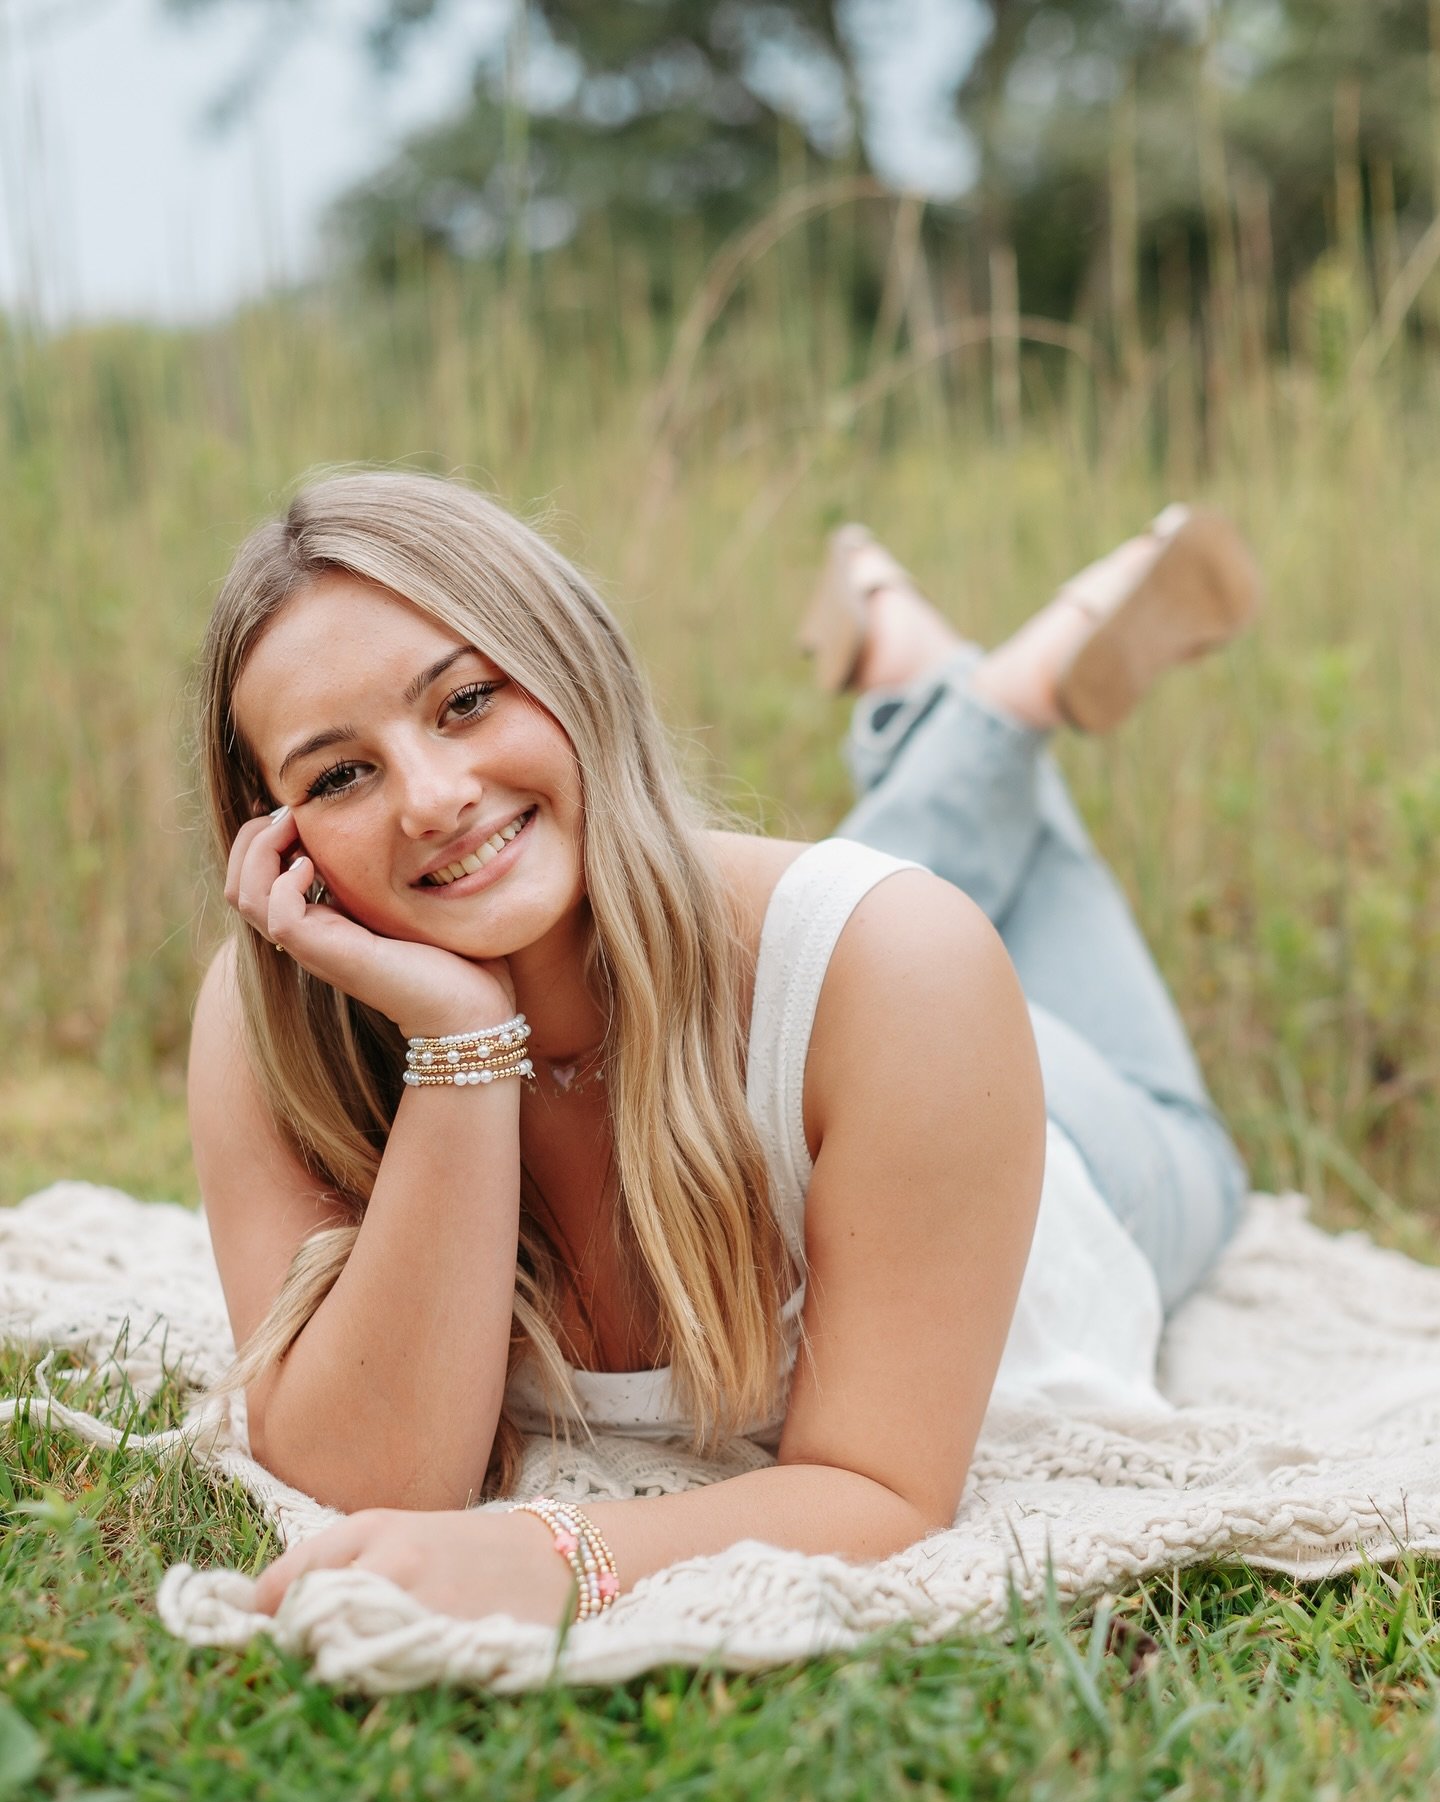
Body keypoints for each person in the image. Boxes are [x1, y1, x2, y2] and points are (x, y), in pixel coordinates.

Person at [188, 471, 1258, 1625]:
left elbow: (881, 1491)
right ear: (278, 841)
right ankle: (957, 687)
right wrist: (462, 1042)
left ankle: (992, 697)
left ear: (574, 667)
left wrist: (553, 1555)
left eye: (465, 701)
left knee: (1148, 1105)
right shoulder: (277, 1028)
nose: (434, 797)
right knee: (816, 913)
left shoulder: (902, 969)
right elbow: (369, 1478)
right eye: (341, 774)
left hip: (1073, 1143)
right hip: (818, 989)